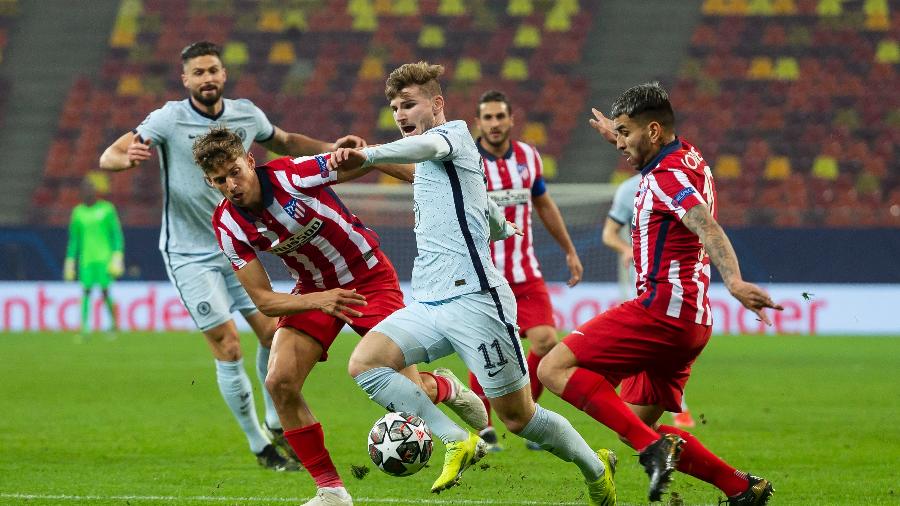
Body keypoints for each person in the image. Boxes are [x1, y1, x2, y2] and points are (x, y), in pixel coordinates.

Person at [331, 62, 617, 505]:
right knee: (365, 363)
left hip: (477, 302)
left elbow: (426, 148)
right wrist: (499, 224)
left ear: (437, 104)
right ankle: (454, 438)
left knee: (519, 417)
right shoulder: (432, 158)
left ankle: (595, 469)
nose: (401, 114)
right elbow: (472, 196)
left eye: (409, 104)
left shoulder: (455, 135)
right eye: (394, 107)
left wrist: (367, 155)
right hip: (429, 301)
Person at [99, 41, 366, 471]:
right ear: (185, 79)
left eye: (213, 70)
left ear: (223, 74)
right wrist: (122, 160)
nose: (207, 78)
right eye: (198, 72)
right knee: (226, 344)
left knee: (268, 334)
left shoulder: (246, 113)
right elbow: (111, 152)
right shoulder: (167, 118)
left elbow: (286, 141)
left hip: (237, 243)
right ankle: (259, 444)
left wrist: (334, 146)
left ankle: (271, 418)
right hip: (189, 252)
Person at [194, 126, 489, 506]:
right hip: (315, 292)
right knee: (279, 381)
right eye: (220, 180)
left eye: (235, 171)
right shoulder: (227, 225)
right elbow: (265, 300)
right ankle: (331, 491)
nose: (232, 184)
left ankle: (442, 387)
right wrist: (319, 300)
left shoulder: (294, 175)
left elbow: (368, 160)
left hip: (368, 277)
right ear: (210, 182)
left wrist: (429, 187)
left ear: (250, 161)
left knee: (405, 394)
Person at [538, 82, 779, 505]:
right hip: (692, 322)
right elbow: (656, 160)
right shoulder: (687, 155)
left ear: (652, 131)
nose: (620, 144)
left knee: (552, 368)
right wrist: (616, 134)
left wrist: (736, 282)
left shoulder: (668, 178)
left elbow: (707, 226)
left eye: (626, 133)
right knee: (636, 427)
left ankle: (654, 451)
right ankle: (742, 488)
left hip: (660, 312)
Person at [471, 90, 583, 451]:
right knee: (484, 350)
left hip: (525, 272)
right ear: (478, 123)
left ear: (510, 120)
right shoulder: (467, 159)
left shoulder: (529, 157)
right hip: (483, 274)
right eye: (487, 118)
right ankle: (484, 429)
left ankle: (528, 415)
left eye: (499, 117)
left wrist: (569, 250)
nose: (494, 124)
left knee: (547, 341)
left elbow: (544, 203)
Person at [603, 173, 696, 429]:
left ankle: (647, 409)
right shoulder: (627, 190)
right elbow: (609, 234)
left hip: (678, 281)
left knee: (668, 346)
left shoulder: (680, 182)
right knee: (652, 347)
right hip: (642, 284)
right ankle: (670, 410)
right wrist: (626, 250)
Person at [64, 176, 124, 336]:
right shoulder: (78, 212)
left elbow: (116, 235)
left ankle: (113, 325)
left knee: (105, 292)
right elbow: (74, 240)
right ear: (81, 193)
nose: (88, 192)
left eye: (90, 189)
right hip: (86, 260)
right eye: (85, 190)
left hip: (104, 259)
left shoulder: (107, 209)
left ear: (95, 192)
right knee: (85, 291)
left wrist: (117, 257)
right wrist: (69, 262)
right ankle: (84, 329)